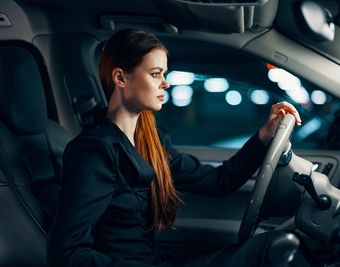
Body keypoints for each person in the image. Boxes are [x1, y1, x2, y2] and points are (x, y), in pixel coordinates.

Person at [47, 29, 302, 267]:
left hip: (157, 258)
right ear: (120, 77)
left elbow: (219, 181)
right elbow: (67, 253)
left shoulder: (153, 140)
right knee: (270, 250)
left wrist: (265, 135)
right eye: (156, 74)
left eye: (165, 74)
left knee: (271, 246)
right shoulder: (94, 151)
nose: (166, 83)